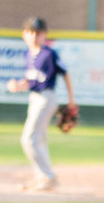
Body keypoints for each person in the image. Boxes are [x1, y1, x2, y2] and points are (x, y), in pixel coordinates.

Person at [6, 17, 76, 192]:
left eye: (38, 32)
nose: (34, 35)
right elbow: (31, 81)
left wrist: (72, 100)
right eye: (31, 32)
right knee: (39, 139)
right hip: (35, 98)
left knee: (29, 138)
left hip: (46, 98)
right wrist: (17, 86)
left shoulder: (49, 54)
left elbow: (65, 73)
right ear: (24, 35)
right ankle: (42, 177)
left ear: (44, 35)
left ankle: (49, 177)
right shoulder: (29, 55)